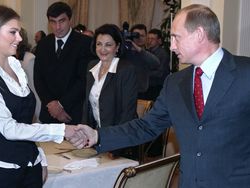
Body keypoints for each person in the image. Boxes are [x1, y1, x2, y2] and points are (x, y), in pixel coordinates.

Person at [72, 4, 250, 188]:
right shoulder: (175, 83)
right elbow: (145, 127)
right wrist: (97, 135)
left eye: (176, 37)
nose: (171, 46)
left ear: (199, 34)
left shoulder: (246, 74)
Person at [0, 5, 86, 188]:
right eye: (13, 32)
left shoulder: (15, 66)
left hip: (31, 168)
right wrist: (62, 130)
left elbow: (27, 123)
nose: (20, 38)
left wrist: (40, 158)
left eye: (19, 32)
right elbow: (9, 129)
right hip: (1, 174)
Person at [82, 24, 138, 159]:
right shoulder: (91, 67)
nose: (102, 49)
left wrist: (114, 144)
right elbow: (87, 105)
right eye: (99, 44)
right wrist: (85, 134)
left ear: (117, 47)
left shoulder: (126, 70)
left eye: (108, 45)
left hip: (121, 144)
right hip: (97, 140)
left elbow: (127, 113)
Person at [34, 2, 94, 125]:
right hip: (48, 114)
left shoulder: (85, 43)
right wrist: (51, 104)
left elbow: (83, 80)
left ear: (70, 20)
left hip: (73, 114)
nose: (57, 27)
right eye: (53, 22)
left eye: (62, 21)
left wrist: (61, 105)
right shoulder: (43, 44)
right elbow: (38, 78)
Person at [16, 28, 41, 123]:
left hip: (33, 103)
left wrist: (36, 111)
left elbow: (34, 87)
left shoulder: (30, 59)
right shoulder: (13, 58)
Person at [146, 28, 170, 101]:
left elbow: (160, 73)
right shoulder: (147, 52)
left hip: (157, 87)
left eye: (152, 39)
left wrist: (144, 73)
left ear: (159, 41)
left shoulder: (162, 54)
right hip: (149, 86)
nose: (149, 41)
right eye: (148, 38)